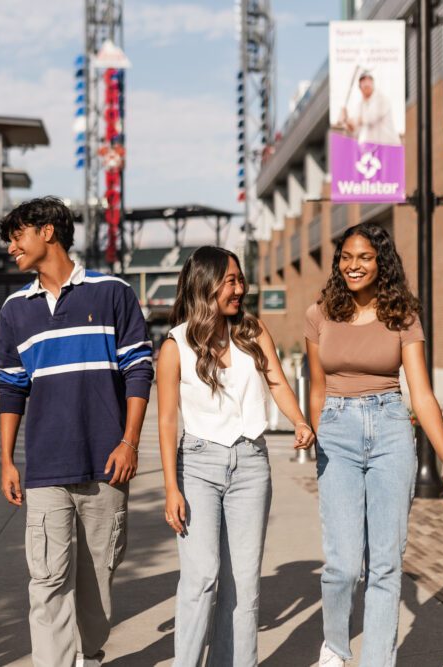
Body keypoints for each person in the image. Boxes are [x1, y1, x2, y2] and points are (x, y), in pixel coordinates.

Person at [0, 196, 153, 667]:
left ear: (48, 232)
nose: (10, 248)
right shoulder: (14, 309)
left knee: (98, 580)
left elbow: (139, 370)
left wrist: (129, 441)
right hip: (45, 467)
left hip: (108, 463)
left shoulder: (112, 293)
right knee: (47, 581)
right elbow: (10, 388)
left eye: (16, 236)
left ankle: (91, 653)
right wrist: (6, 460)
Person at [305, 224, 443, 667]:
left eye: (365, 257)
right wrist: (316, 435)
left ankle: (377, 660)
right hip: (336, 430)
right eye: (347, 257)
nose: (354, 265)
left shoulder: (402, 314)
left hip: (392, 429)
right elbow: (317, 388)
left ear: (382, 263)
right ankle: (335, 649)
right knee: (342, 565)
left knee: (386, 564)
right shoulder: (319, 314)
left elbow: (422, 393)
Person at [156, 246, 315, 666]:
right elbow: (168, 421)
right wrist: (171, 487)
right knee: (202, 576)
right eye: (230, 280)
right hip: (198, 465)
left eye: (240, 280)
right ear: (205, 284)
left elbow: (278, 383)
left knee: (244, 584)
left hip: (251, 464)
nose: (240, 288)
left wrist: (299, 421)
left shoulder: (252, 331)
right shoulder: (175, 346)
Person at [339, 71, 400, 145]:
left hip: (390, 147)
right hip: (373, 149)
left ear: (373, 84)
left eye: (369, 80)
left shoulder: (382, 99)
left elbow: (370, 118)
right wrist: (346, 121)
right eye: (363, 81)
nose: (366, 83)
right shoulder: (360, 106)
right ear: (359, 86)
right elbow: (355, 131)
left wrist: (353, 120)